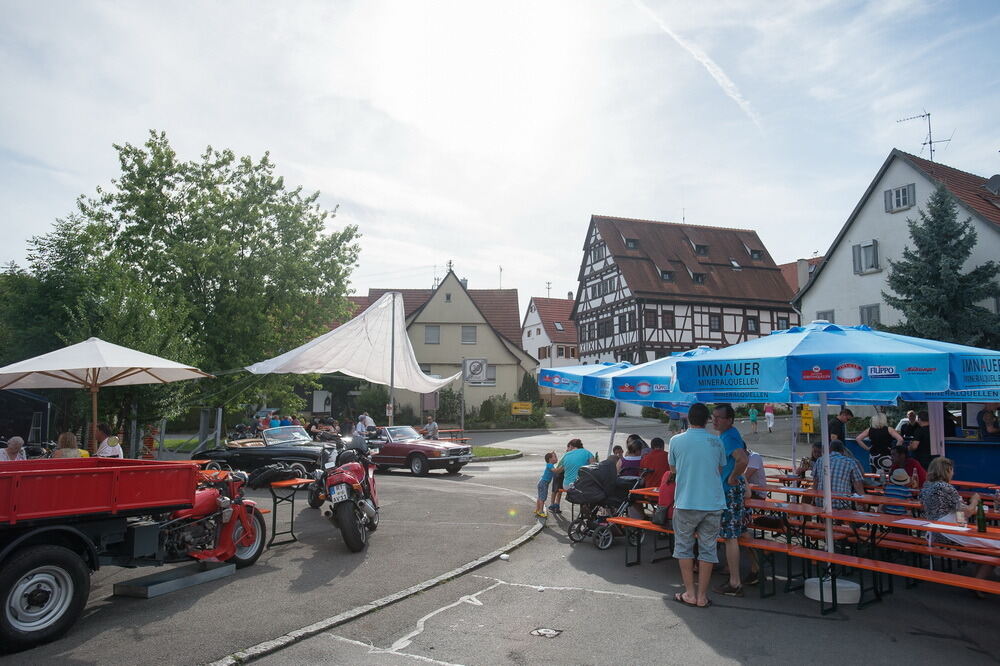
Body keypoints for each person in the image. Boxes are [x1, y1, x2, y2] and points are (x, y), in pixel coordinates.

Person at [668, 403, 726, 608]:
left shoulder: (676, 440)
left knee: (683, 548)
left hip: (686, 501)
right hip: (712, 502)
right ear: (708, 419)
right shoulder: (716, 441)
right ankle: (702, 596)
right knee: (708, 549)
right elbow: (719, 468)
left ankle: (689, 593)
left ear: (688, 418)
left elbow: (673, 469)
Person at [919, 457, 998, 590]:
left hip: (934, 532)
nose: (953, 473)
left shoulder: (926, 486)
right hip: (947, 531)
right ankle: (977, 585)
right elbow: (967, 512)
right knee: (995, 546)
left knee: (986, 547)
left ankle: (976, 581)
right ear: (947, 470)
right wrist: (975, 500)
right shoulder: (944, 487)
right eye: (952, 470)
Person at [712, 404, 751, 596]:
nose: (715, 420)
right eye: (713, 416)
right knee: (739, 534)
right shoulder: (728, 435)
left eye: (719, 417)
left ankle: (735, 582)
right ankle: (753, 571)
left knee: (730, 537)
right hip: (732, 492)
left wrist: (733, 477)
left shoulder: (729, 436)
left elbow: (742, 459)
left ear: (729, 420)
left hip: (728, 492)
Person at [812, 440, 864, 509]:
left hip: (821, 501)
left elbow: (815, 482)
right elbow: (858, 485)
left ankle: (824, 520)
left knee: (823, 513)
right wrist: (864, 503)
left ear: (829, 450)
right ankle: (841, 520)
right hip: (842, 502)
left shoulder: (820, 460)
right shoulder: (850, 462)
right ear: (842, 451)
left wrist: (813, 499)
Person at [549, 439, 595, 514]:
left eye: (568, 447)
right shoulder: (587, 453)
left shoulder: (566, 455)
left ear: (571, 446)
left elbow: (559, 470)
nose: (567, 449)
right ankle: (586, 508)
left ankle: (555, 504)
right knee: (592, 488)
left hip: (567, 486)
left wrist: (550, 466)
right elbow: (594, 468)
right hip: (580, 486)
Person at [535, 452, 557, 518]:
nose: (556, 458)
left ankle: (537, 509)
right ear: (550, 459)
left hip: (542, 482)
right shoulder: (550, 465)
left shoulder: (550, 465)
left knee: (540, 497)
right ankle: (541, 511)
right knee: (543, 498)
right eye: (555, 457)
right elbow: (555, 471)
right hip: (544, 483)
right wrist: (561, 468)